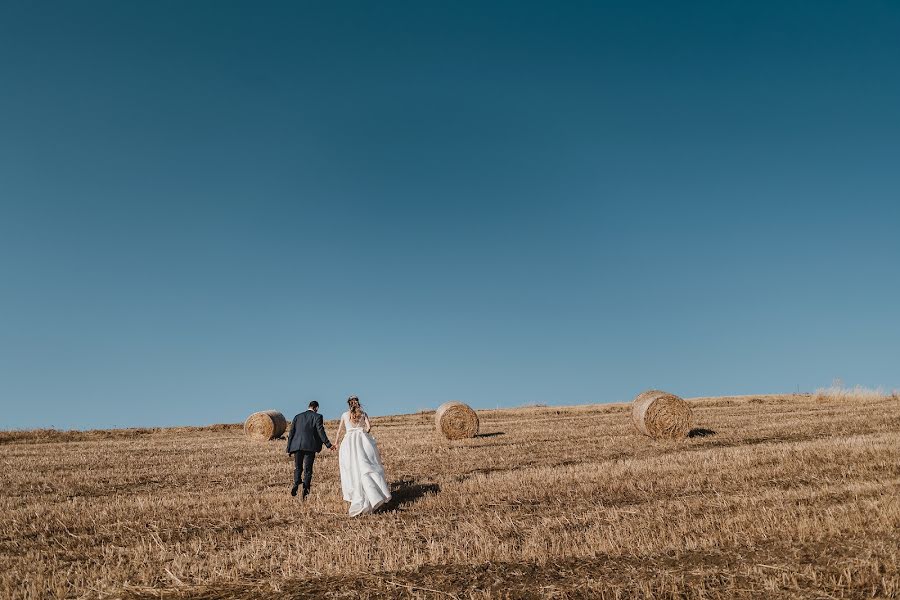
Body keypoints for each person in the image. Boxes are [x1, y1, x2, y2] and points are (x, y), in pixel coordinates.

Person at [334, 395, 391, 516]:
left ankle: (358, 497)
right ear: (358, 403)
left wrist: (335, 443)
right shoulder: (364, 413)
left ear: (349, 404)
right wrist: (362, 432)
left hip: (349, 444)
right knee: (366, 468)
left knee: (353, 470)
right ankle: (373, 497)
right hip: (362, 442)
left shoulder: (344, 415)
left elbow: (339, 431)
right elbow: (369, 428)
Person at [286, 400, 335, 499]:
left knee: (298, 467)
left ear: (309, 406)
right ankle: (305, 491)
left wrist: (289, 448)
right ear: (316, 408)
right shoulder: (318, 416)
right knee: (308, 470)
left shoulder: (297, 416)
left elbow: (291, 433)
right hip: (310, 446)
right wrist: (328, 445)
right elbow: (320, 431)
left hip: (297, 446)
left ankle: (296, 483)